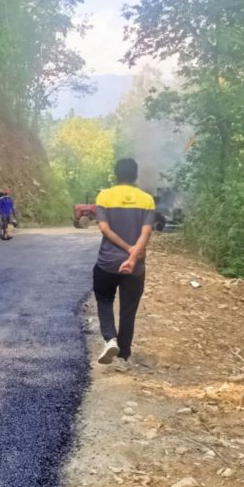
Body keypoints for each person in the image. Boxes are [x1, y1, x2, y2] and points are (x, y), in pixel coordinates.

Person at [93, 158, 155, 371]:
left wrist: (127, 250)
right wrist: (133, 255)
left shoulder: (104, 196)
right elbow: (146, 233)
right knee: (128, 310)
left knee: (104, 299)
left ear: (116, 174)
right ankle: (124, 355)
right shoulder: (147, 200)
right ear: (135, 176)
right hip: (136, 267)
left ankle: (110, 339)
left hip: (107, 263)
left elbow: (104, 229)